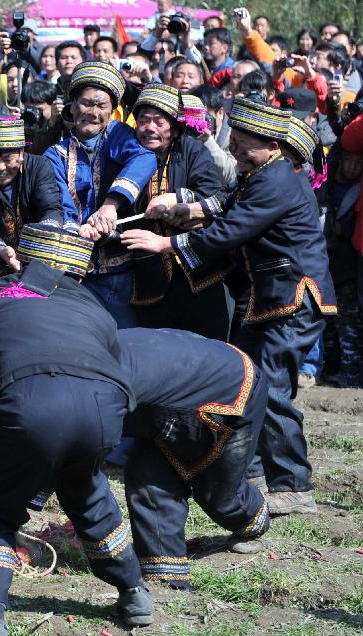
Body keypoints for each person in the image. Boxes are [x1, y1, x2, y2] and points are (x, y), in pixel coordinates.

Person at [0, 223, 154, 634]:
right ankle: (134, 592)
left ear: (22, 260)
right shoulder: (96, 307)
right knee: (88, 493)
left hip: (31, 408)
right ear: (78, 270)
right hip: (103, 411)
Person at [121, 98, 337, 515]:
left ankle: (294, 484)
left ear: (271, 145)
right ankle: (251, 473)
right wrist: (184, 208)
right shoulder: (259, 173)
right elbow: (225, 201)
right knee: (246, 383)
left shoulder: (275, 180)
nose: (234, 148)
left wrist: (166, 242)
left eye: (242, 143)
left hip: (291, 296)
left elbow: (232, 228)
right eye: (233, 140)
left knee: (271, 390)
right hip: (267, 297)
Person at [118, 328, 271, 588]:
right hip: (161, 399)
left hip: (226, 389)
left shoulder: (90, 377)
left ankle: (253, 519)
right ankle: (165, 576)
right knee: (147, 478)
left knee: (217, 495)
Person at [42, 61, 156, 328]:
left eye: (101, 105)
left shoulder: (120, 135)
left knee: (125, 342)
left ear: (112, 110)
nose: (92, 112)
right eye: (85, 103)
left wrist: (110, 206)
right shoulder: (55, 155)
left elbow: (144, 159)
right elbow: (60, 204)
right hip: (75, 270)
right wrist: (78, 229)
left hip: (120, 271)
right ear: (72, 106)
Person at [126, 83, 228, 340]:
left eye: (159, 122)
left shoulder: (192, 150)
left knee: (206, 347)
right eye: (143, 120)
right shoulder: (125, 154)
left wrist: (177, 200)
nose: (150, 128)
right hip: (149, 274)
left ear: (174, 127)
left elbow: (217, 195)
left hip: (198, 272)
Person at [0, 117, 67, 282]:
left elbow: (51, 208)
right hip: (2, 266)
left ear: (21, 154)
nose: (1, 167)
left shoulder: (39, 167)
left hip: (45, 259)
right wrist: (1, 252)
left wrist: (40, 243)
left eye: (8, 159)